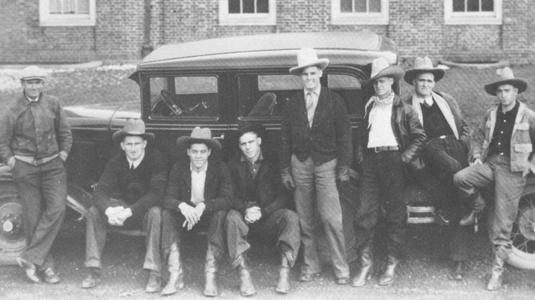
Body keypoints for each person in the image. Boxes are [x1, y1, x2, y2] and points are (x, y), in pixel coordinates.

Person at [453, 67, 535, 291]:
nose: (503, 95)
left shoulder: (527, 116)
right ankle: (479, 206)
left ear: (516, 91)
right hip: (491, 163)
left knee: (503, 222)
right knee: (461, 178)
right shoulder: (491, 113)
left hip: (513, 169)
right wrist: (477, 156)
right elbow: (478, 136)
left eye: (507, 90)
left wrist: (530, 163)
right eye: (499, 91)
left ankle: (497, 272)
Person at [280, 47, 352, 284]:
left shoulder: (335, 101)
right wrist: (285, 169)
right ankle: (311, 265)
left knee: (331, 217)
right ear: (300, 77)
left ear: (320, 73)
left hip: (326, 163)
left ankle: (341, 267)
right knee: (305, 218)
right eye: (304, 75)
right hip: (300, 163)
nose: (309, 79)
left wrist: (343, 168)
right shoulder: (292, 103)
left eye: (313, 74)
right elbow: (285, 138)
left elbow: (344, 137)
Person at [352, 57, 426, 287]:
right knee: (365, 211)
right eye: (376, 83)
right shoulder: (370, 106)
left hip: (394, 160)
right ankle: (366, 263)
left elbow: (420, 137)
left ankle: (392, 263)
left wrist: (403, 158)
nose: (379, 86)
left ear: (391, 82)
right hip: (372, 163)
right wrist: (362, 160)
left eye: (383, 82)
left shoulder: (405, 109)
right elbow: (362, 139)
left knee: (395, 212)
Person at [0, 65, 72, 284]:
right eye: (29, 82)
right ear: (22, 84)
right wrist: (12, 161)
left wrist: (63, 155)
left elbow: (65, 133)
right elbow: (3, 142)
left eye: (37, 82)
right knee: (32, 217)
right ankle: (46, 267)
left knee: (57, 208)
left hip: (52, 167)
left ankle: (29, 258)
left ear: (43, 84)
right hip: (25, 168)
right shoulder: (12, 109)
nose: (34, 86)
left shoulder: (53, 104)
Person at [403, 56, 473, 280]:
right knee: (456, 172)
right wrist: (418, 166)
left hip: (453, 146)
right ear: (414, 82)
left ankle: (458, 257)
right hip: (429, 152)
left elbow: (464, 126)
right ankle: (473, 202)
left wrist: (462, 143)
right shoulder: (406, 106)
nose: (425, 85)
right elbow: (408, 141)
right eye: (421, 80)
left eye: (429, 81)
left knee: (453, 190)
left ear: (435, 83)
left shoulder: (446, 100)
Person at [81, 119, 167, 293]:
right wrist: (109, 209)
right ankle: (93, 268)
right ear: (122, 145)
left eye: (137, 143)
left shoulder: (156, 160)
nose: (133, 148)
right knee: (93, 212)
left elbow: (156, 194)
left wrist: (130, 211)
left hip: (143, 212)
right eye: (129, 144)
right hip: (122, 210)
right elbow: (100, 191)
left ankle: (154, 273)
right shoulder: (116, 161)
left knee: (156, 213)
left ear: (145, 144)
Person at [225, 124, 300, 294]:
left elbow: (284, 196)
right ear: (239, 146)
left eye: (251, 142)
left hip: (267, 214)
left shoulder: (273, 162)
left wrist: (263, 211)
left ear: (259, 141)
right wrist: (245, 209)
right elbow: (228, 195)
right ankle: (243, 274)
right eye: (243, 144)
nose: (248, 147)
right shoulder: (233, 164)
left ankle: (284, 272)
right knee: (231, 217)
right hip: (243, 215)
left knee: (290, 217)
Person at [161, 127, 233, 297]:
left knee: (221, 214)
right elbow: (167, 198)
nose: (198, 156)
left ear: (209, 152)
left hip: (208, 215)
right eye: (194, 151)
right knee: (167, 214)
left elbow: (228, 199)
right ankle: (175, 273)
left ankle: (210, 274)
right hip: (186, 216)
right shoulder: (179, 168)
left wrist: (203, 206)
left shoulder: (220, 168)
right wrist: (182, 206)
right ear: (188, 152)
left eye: (202, 151)